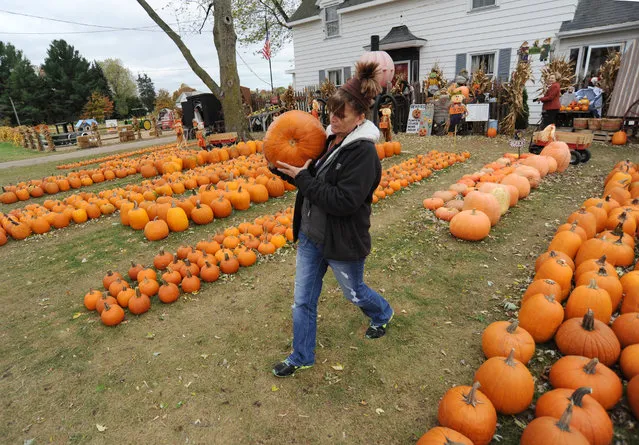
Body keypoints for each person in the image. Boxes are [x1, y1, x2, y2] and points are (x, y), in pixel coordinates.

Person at [271, 61, 394, 378]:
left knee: (355, 293)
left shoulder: (363, 154)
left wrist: (303, 180)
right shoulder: (329, 140)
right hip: (313, 235)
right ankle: (301, 355)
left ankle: (382, 312)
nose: (333, 119)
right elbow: (310, 178)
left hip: (341, 241)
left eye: (341, 115)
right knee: (303, 300)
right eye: (331, 113)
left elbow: (344, 201)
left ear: (360, 118)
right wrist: (283, 167)